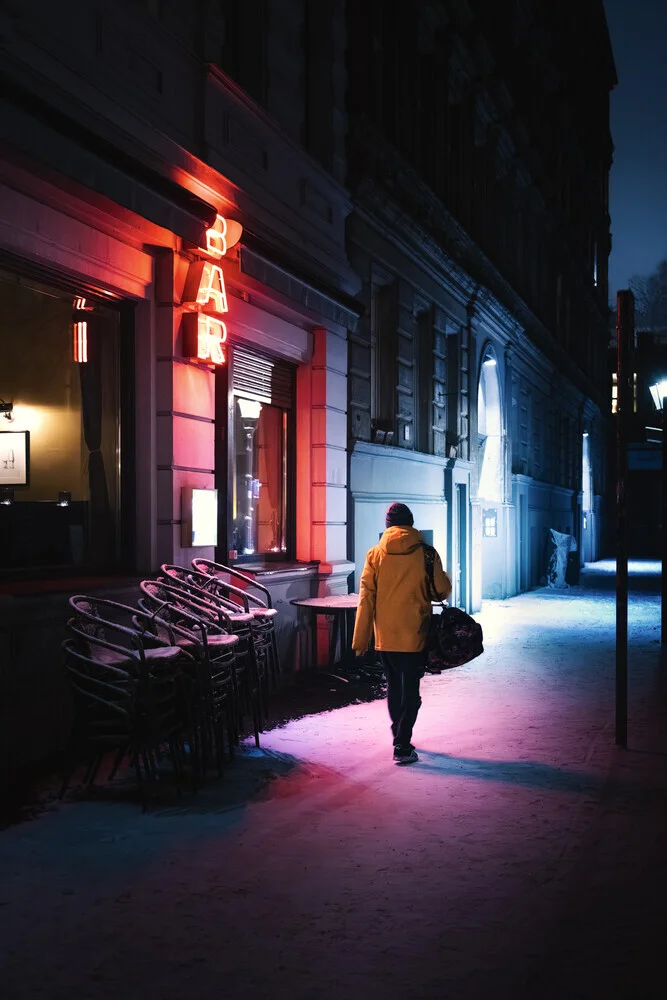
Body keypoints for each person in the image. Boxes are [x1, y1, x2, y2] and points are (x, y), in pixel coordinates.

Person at [352, 502, 452, 764]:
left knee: (394, 687)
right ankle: (402, 743)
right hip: (415, 633)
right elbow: (440, 590)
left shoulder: (374, 554)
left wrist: (361, 640)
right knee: (411, 691)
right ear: (411, 524)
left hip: (385, 635)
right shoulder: (427, 554)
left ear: (388, 526)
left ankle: (399, 734)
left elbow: (366, 599)